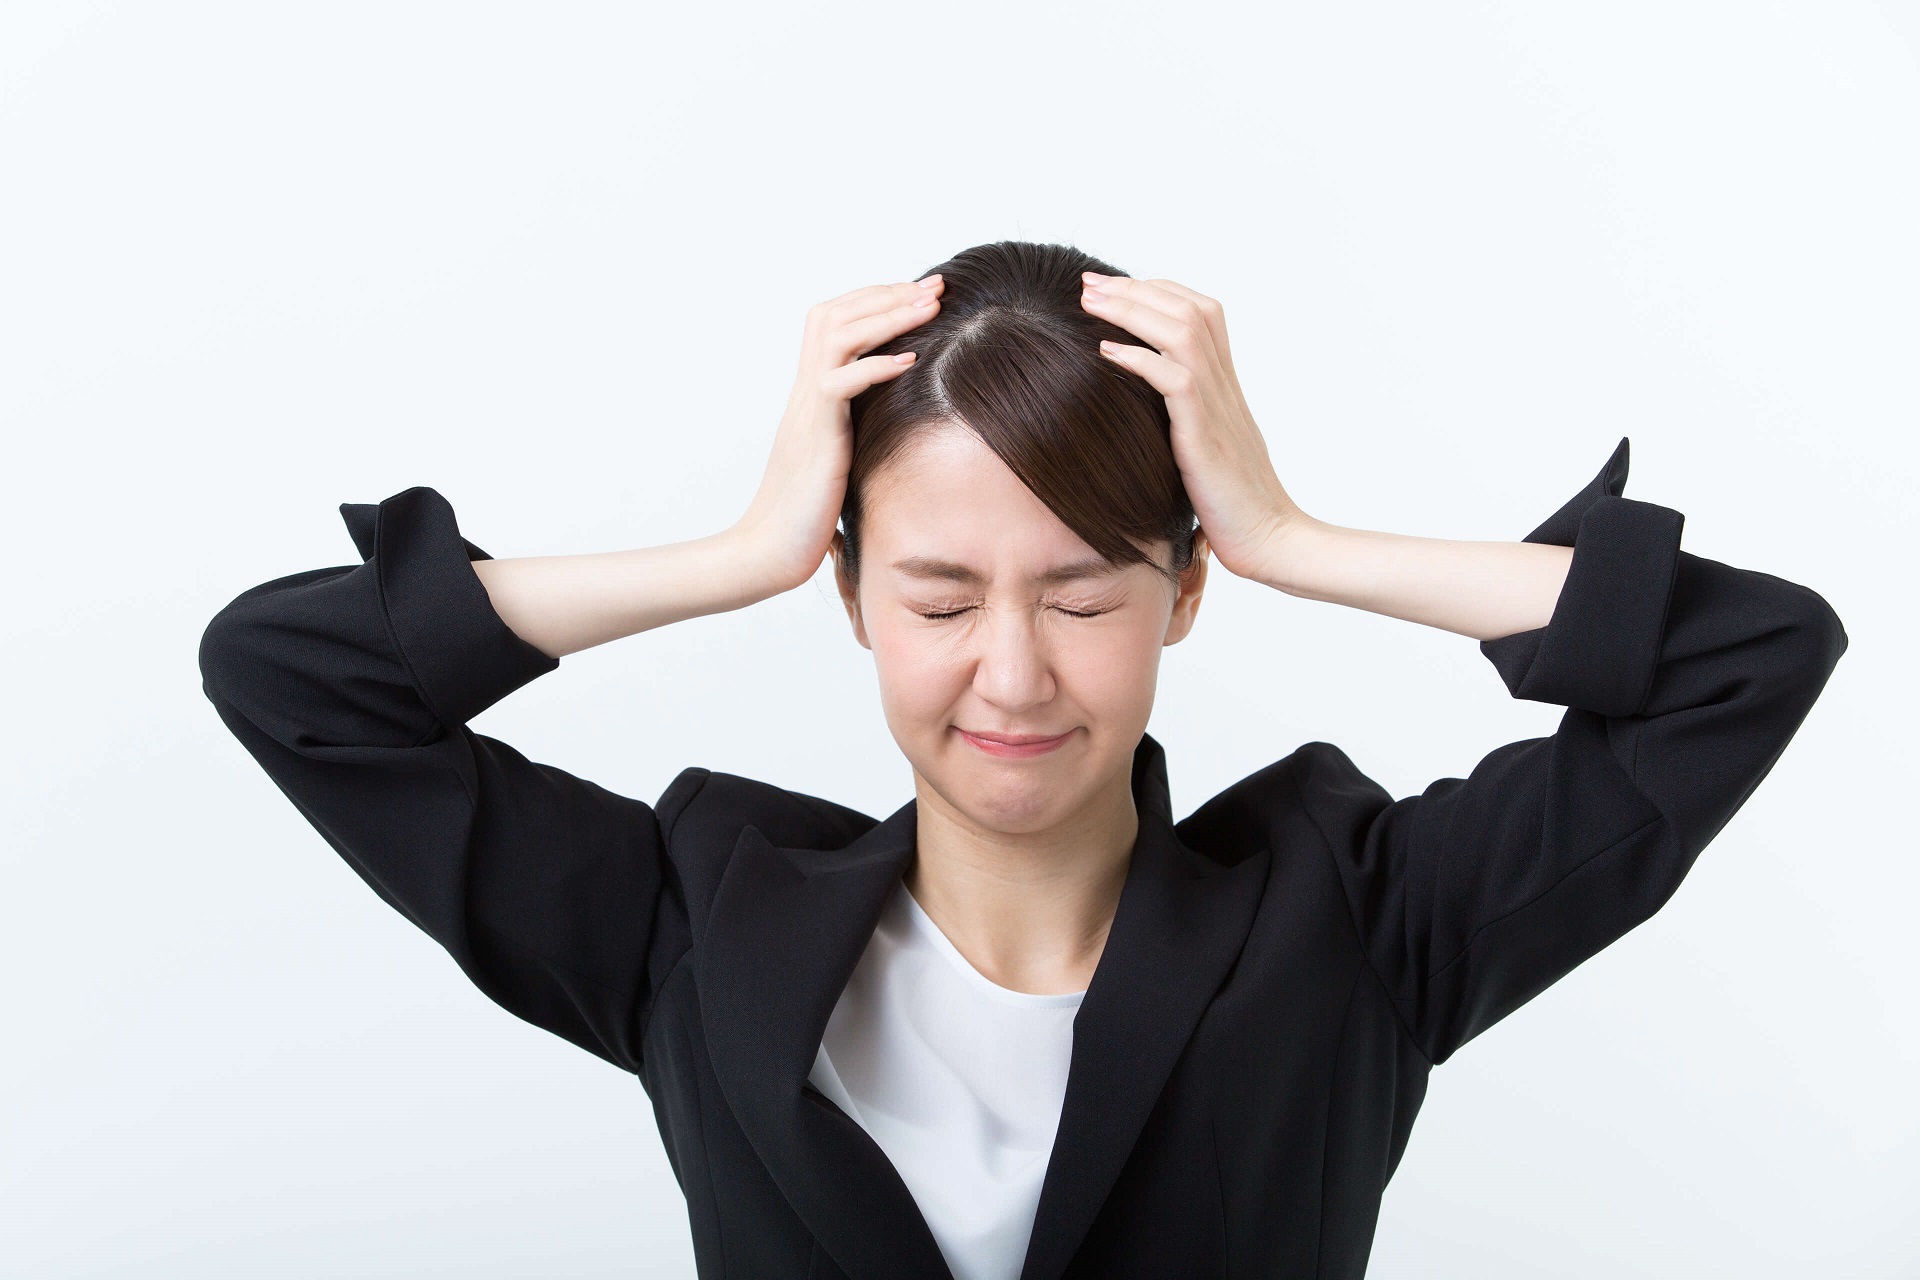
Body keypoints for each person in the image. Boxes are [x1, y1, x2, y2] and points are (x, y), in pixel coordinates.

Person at [198, 240, 1848, 1280]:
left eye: (1083, 595)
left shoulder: (1355, 924)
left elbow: (1750, 655)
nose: (1012, 673)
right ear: (852, 593)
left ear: (1183, 591)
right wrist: (741, 549)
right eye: (937, 597)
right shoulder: (694, 923)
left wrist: (1290, 533)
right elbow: (288, 675)